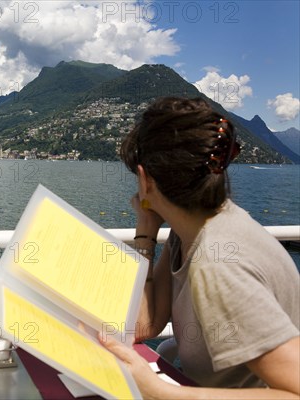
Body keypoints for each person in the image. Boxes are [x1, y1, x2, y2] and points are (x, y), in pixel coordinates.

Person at [103, 97, 299, 398]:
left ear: (144, 180)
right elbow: (144, 324)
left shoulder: (218, 261)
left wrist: (159, 391)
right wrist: (146, 230)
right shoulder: (192, 232)